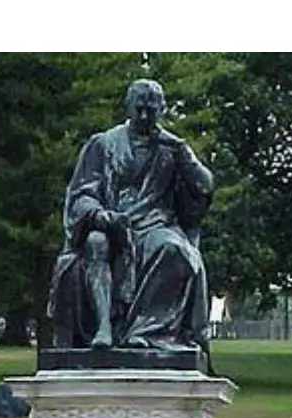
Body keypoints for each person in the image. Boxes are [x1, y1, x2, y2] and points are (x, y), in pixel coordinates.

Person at [47, 79, 214, 353]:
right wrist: (101, 216)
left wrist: (185, 154)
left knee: (173, 250)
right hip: (110, 222)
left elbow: (204, 188)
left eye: (152, 110)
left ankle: (146, 331)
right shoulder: (102, 144)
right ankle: (104, 328)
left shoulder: (172, 150)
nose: (145, 116)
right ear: (128, 106)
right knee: (95, 243)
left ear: (162, 109)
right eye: (139, 109)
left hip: (155, 225)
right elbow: (81, 193)